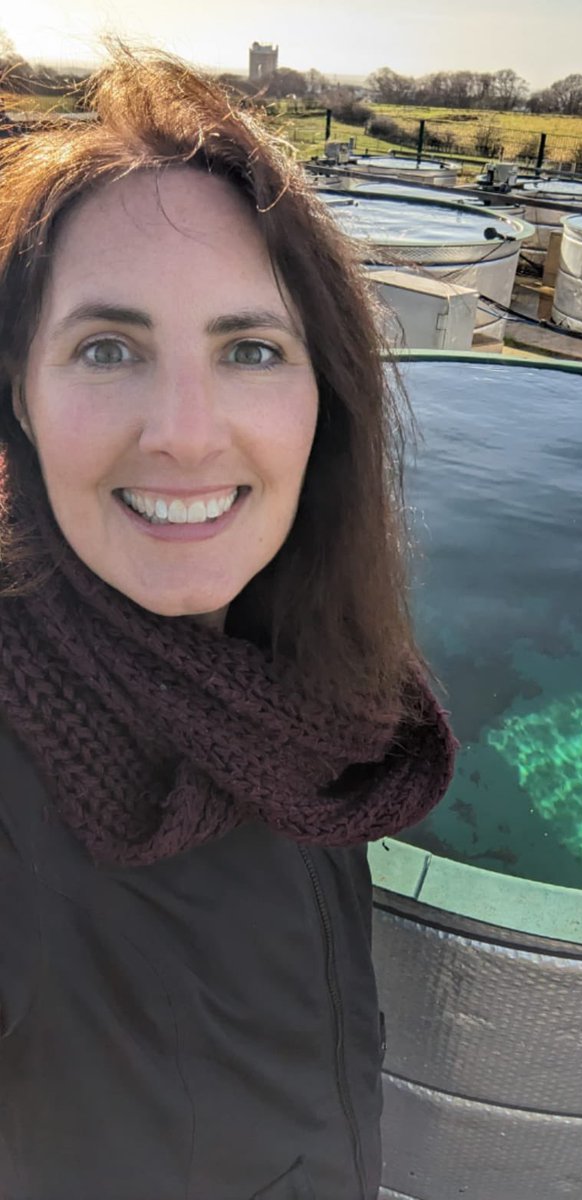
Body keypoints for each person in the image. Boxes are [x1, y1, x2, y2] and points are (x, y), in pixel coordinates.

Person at [0, 49, 455, 1198]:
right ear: (21, 395)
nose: (187, 433)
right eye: (108, 348)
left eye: (250, 349)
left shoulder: (308, 686)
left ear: (323, 397)